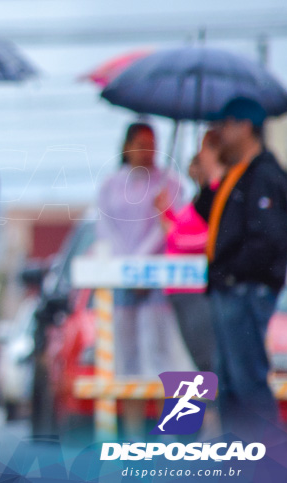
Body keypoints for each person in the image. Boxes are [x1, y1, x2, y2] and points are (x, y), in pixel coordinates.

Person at [195, 96, 287, 437]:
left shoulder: (264, 175)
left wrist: (234, 272)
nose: (220, 132)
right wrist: (209, 175)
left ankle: (264, 461)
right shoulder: (237, 174)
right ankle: (240, 461)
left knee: (248, 381)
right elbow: (212, 217)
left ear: (245, 126)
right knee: (230, 385)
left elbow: (268, 240)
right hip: (230, 289)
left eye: (226, 124)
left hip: (245, 290)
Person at [97, 122, 183, 437]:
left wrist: (141, 261)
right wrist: (125, 263)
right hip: (123, 278)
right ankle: (132, 434)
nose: (147, 150)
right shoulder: (111, 185)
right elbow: (104, 225)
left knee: (162, 354)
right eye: (141, 143)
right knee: (127, 356)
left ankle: (169, 433)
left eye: (152, 143)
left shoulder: (169, 183)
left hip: (157, 277)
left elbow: (169, 227)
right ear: (127, 146)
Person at [155, 130, 224, 372]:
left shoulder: (218, 193)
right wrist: (165, 212)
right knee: (191, 362)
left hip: (195, 288)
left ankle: (212, 410)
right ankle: (202, 410)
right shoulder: (203, 196)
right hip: (181, 287)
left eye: (204, 149)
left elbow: (207, 238)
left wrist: (170, 230)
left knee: (205, 360)